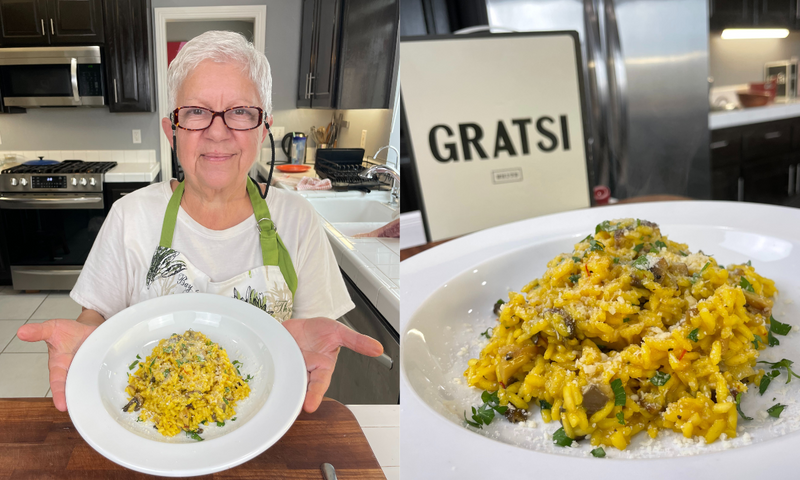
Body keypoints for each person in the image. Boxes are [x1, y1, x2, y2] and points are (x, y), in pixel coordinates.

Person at [16, 30, 382, 414]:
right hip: (153, 426)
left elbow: (313, 333)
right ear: (171, 131)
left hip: (264, 421)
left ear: (263, 129)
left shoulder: (297, 219)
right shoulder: (131, 216)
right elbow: (95, 315)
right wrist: (86, 340)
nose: (218, 131)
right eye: (196, 112)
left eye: (240, 111)